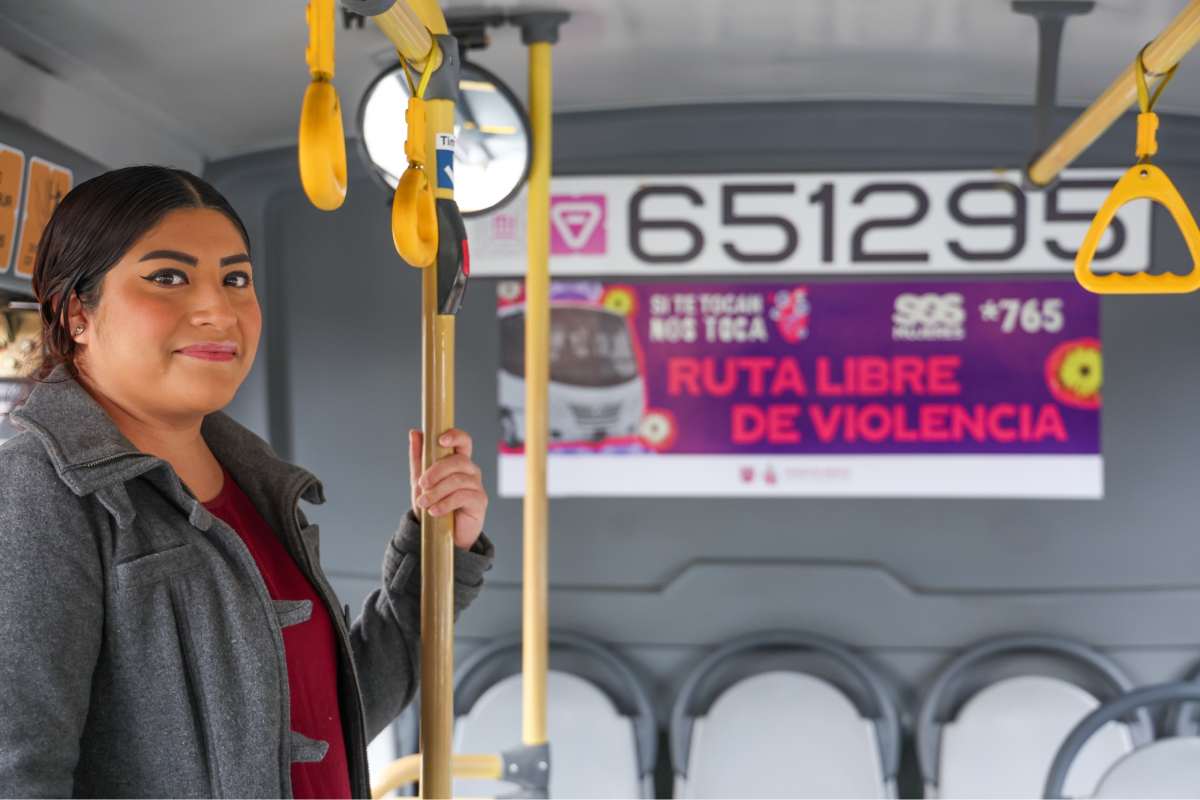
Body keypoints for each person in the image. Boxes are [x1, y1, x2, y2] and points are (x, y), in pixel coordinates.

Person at [0, 166, 493, 798]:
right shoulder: (40, 493)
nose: (217, 309)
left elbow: (326, 717)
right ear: (76, 314)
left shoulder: (256, 486)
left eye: (236, 279)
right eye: (168, 277)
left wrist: (437, 553)